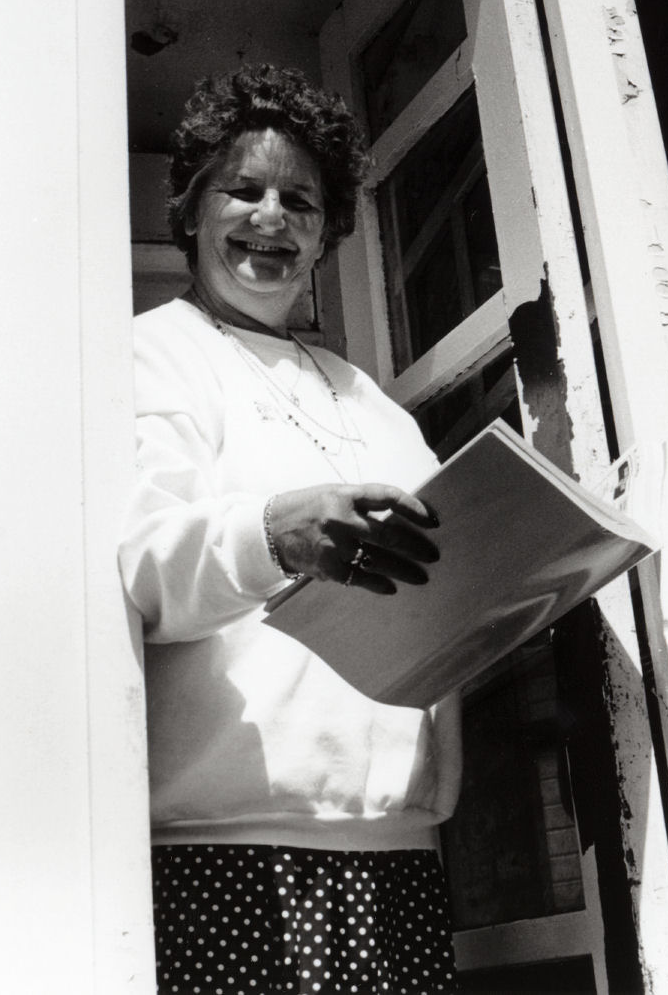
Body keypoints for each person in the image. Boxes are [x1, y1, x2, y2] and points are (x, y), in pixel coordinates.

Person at [119, 64, 462, 994]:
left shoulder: (374, 405)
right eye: (244, 189)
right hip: (229, 856)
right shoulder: (154, 356)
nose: (271, 216)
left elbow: (446, 587)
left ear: (327, 232)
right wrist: (274, 532)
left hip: (399, 856)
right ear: (190, 211)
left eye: (300, 200)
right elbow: (137, 574)